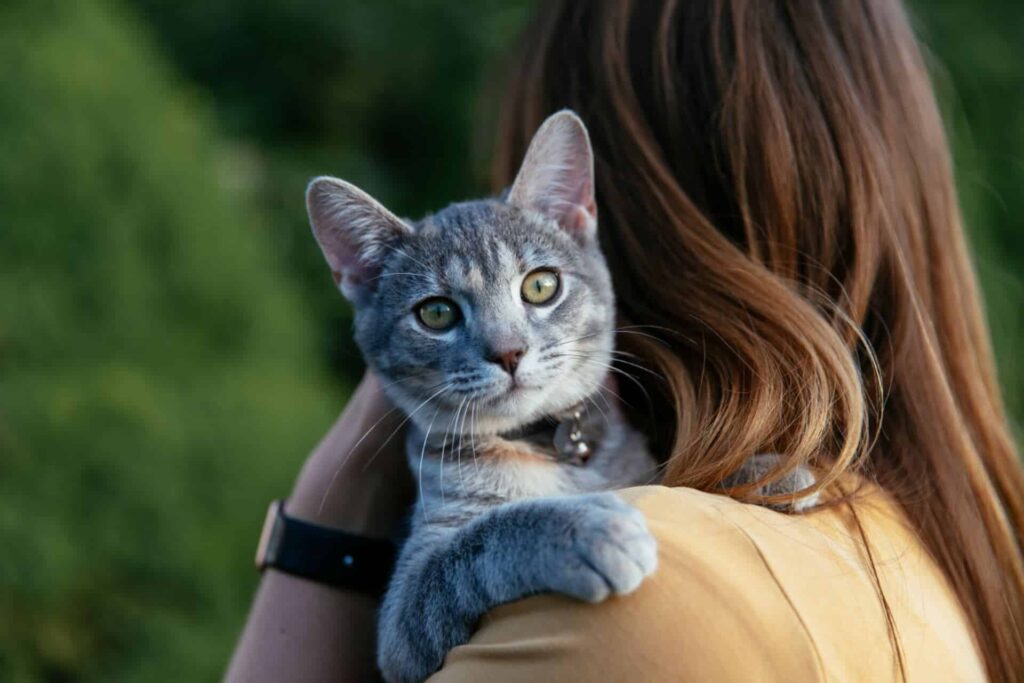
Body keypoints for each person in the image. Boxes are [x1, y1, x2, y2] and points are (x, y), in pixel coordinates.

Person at [226, 1, 1024, 680]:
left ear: (590, 220)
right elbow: (407, 640)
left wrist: (322, 507)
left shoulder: (658, 601)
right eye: (441, 313)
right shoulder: (925, 553)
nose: (506, 346)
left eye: (539, 287)